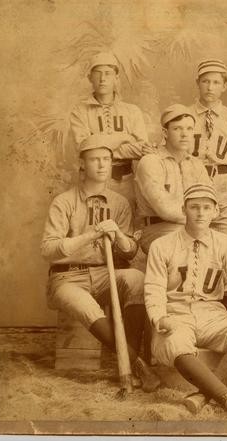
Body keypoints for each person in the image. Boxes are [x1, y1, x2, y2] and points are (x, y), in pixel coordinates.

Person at [41, 134, 160, 392]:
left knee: (137, 279)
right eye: (95, 159)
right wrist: (91, 235)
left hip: (104, 273)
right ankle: (136, 364)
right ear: (82, 164)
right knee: (87, 307)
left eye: (106, 159)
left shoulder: (119, 203)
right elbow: (48, 250)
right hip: (67, 278)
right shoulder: (64, 202)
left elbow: (128, 253)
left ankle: (129, 358)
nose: (102, 165)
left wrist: (117, 235)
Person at [144, 184, 227, 420]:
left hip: (212, 314)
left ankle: (203, 395)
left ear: (216, 211)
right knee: (174, 342)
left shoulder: (225, 243)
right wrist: (159, 317)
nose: (200, 213)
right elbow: (153, 288)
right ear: (183, 210)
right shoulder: (162, 245)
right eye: (194, 207)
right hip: (175, 313)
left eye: (206, 207)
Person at [69, 51, 155, 207]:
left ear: (116, 78)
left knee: (125, 225)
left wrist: (101, 147)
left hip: (125, 181)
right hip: (92, 182)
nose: (102, 79)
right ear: (90, 78)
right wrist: (124, 138)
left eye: (108, 74)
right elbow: (83, 147)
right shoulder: (80, 111)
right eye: (98, 74)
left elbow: (142, 149)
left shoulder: (132, 111)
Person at [134, 104, 210, 254]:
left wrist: (200, 219)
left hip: (194, 228)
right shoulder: (151, 162)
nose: (184, 134)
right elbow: (165, 210)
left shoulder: (196, 164)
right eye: (177, 129)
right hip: (158, 230)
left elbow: (214, 206)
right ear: (165, 132)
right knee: (191, 250)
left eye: (189, 129)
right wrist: (200, 217)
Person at [188, 59, 227, 244]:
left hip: (223, 190)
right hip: (191, 185)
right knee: (191, 245)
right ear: (197, 83)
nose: (210, 87)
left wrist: (222, 176)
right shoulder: (185, 116)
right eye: (205, 81)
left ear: (225, 86)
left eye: (216, 82)